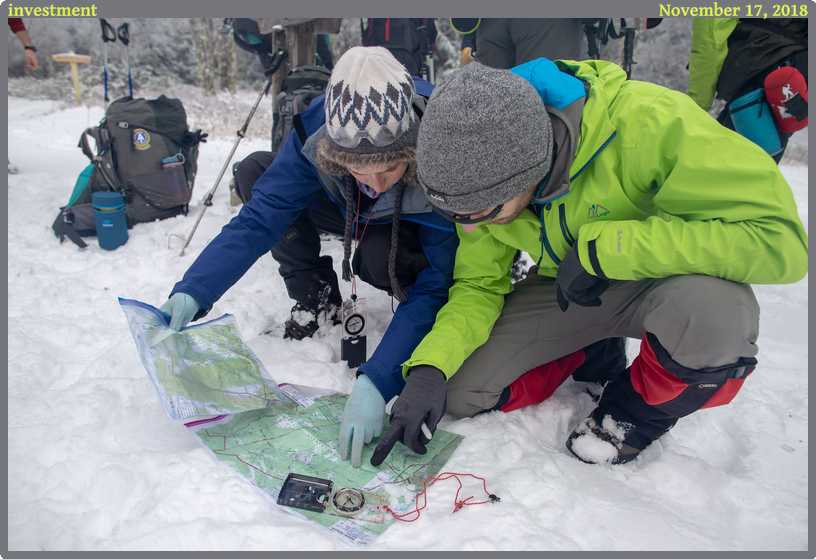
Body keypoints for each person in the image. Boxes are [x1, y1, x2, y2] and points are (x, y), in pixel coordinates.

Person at [368, 59, 808, 467]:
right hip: (568, 286)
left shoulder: (650, 122)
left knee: (716, 321)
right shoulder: (478, 184)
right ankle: (583, 349)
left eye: (481, 214)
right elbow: (478, 286)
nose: (468, 228)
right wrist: (430, 368)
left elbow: (782, 244)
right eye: (455, 216)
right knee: (460, 392)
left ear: (528, 172)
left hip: (664, 283)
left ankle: (631, 412)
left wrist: (613, 249)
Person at [155, 47, 459, 468]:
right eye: (358, 169)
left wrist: (379, 378)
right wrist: (195, 289)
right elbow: (261, 218)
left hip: (407, 223)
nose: (373, 182)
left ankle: (404, 316)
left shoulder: (439, 146)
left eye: (387, 168)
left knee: (377, 255)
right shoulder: (318, 129)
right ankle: (315, 292)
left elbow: (438, 282)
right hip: (343, 206)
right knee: (255, 171)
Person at [688, 18, 807, 163]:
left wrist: (697, 105)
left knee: (732, 167)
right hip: (792, 70)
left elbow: (709, 42)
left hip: (766, 63)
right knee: (743, 163)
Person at [456, 18, 584, 69]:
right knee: (488, 104)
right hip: (491, 22)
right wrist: (469, 39)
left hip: (549, 23)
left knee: (548, 102)